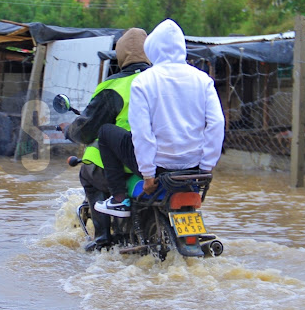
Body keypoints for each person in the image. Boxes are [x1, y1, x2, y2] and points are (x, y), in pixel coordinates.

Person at [94, 18, 225, 217]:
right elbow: (217, 123)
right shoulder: (203, 79)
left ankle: (118, 199)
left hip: (159, 168)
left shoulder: (143, 81)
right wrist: (206, 167)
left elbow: (142, 131)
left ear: (152, 48)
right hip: (194, 167)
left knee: (105, 132)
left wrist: (148, 174)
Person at [61, 28, 150, 249]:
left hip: (127, 162)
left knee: (88, 170)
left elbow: (86, 130)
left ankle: (102, 237)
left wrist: (68, 131)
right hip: (166, 160)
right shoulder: (162, 81)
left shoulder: (114, 86)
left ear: (120, 56)